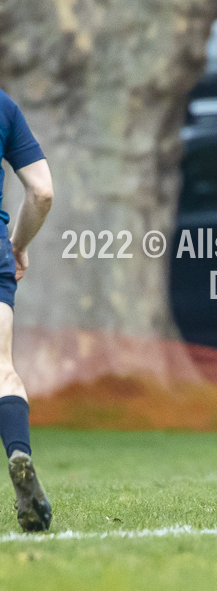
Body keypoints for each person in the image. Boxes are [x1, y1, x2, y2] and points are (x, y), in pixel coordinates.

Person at [0, 89, 54, 531]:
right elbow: (41, 192)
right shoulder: (4, 106)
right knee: (2, 369)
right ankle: (19, 452)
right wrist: (17, 244)